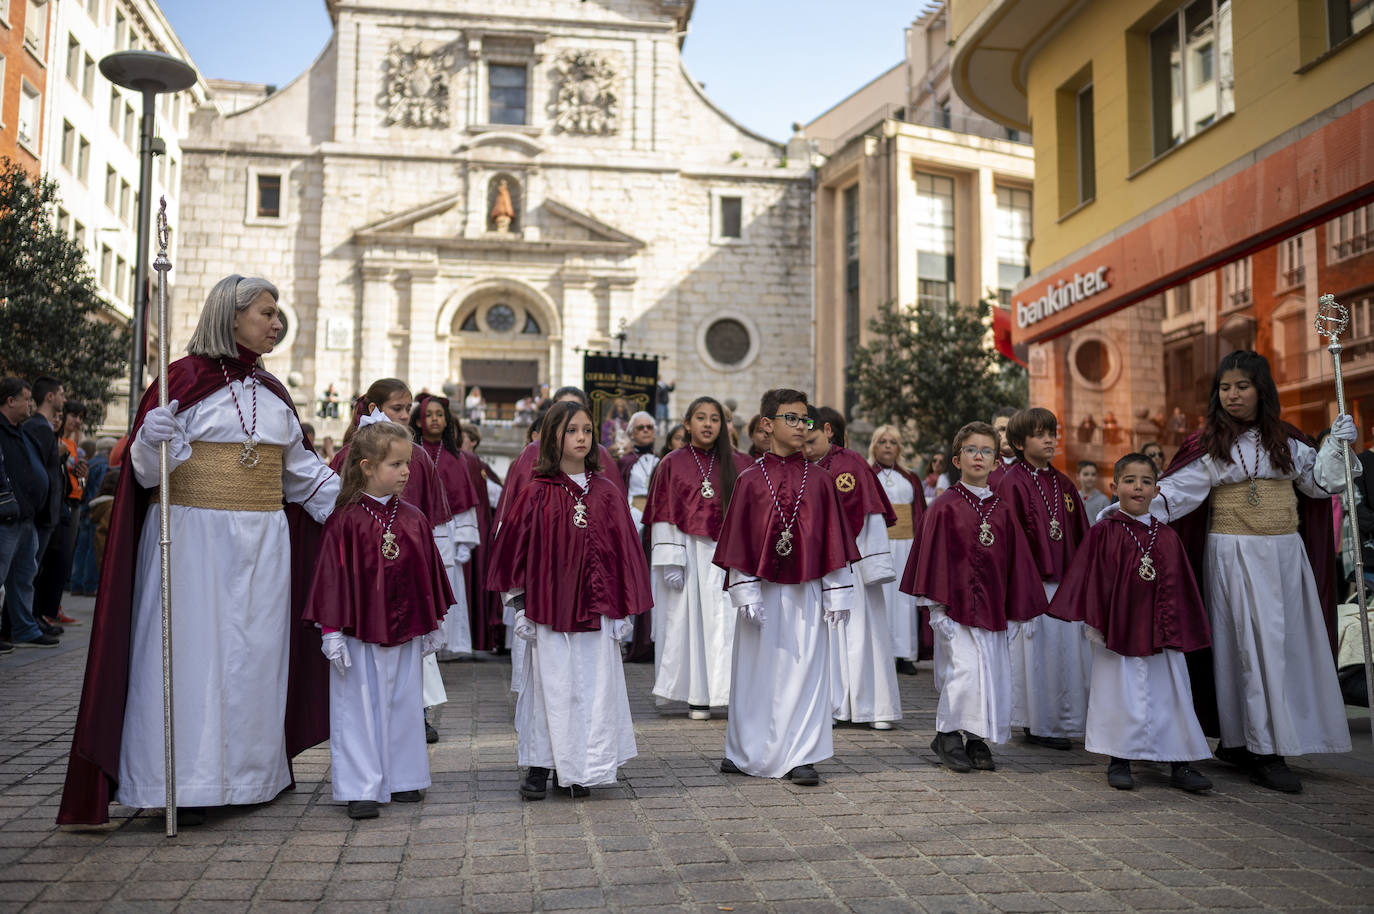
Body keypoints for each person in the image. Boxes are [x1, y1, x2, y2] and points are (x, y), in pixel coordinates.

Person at [58, 274, 340, 826]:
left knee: (254, 658)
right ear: (230, 316)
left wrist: (363, 508)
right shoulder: (179, 381)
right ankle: (181, 781)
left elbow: (303, 479)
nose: (276, 322)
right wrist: (150, 437)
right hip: (190, 539)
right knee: (188, 658)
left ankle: (251, 778)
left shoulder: (276, 393)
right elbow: (141, 473)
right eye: (266, 312)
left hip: (263, 545)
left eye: (277, 313)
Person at [1151, 350, 1353, 793]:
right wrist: (1125, 512)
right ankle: (1261, 749)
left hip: (1285, 557)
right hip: (1233, 557)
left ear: (1261, 389)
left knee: (1282, 648)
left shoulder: (1287, 439)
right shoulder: (1207, 444)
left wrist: (1336, 448)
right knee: (1245, 649)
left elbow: (1321, 486)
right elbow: (1175, 496)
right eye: (1224, 387)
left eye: (1241, 386)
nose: (1232, 395)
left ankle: (1260, 741)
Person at [486, 401, 651, 799]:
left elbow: (624, 552)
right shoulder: (535, 492)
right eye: (572, 430)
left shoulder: (608, 493)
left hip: (598, 609)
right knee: (549, 687)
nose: (581, 437)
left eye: (587, 431)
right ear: (553, 437)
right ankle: (541, 765)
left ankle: (581, 769)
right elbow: (515, 554)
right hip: (548, 608)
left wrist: (623, 608)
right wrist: (521, 604)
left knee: (593, 688)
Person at [304, 421, 454, 819]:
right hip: (357, 635)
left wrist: (432, 622)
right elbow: (331, 579)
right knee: (357, 707)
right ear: (367, 466)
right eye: (395, 464)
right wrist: (331, 632)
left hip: (405, 632)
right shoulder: (345, 519)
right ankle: (361, 787)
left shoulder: (413, 518)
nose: (406, 471)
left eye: (407, 463)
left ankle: (404, 778)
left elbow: (427, 576)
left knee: (405, 703)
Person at [714, 389, 858, 786]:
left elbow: (832, 541)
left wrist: (837, 591)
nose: (800, 426)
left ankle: (802, 754)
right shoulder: (748, 480)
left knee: (804, 670)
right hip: (760, 596)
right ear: (767, 424)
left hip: (805, 593)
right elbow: (740, 540)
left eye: (805, 419)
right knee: (756, 673)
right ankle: (745, 749)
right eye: (791, 418)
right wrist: (743, 589)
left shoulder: (822, 480)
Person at [1048, 454, 1213, 792]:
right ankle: (1119, 758)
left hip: (1160, 633)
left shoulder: (1167, 537)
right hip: (1118, 630)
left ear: (1156, 490)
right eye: (1129, 480)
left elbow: (1182, 587)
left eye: (1146, 481)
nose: (1138, 487)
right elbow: (1089, 578)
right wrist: (1098, 622)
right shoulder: (1104, 532)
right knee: (1117, 692)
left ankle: (1180, 762)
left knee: (1171, 692)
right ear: (1114, 487)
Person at [903, 422, 1047, 773]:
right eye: (971, 450)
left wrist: (1017, 613)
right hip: (956, 609)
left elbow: (1015, 564)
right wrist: (936, 610)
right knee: (964, 672)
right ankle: (948, 735)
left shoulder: (1002, 509)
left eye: (986, 451)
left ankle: (978, 738)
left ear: (997, 461)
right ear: (957, 458)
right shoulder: (945, 506)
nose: (979, 456)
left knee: (991, 675)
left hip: (993, 608)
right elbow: (933, 559)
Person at [333, 380, 457, 741]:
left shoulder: (417, 456)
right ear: (373, 408)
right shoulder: (349, 457)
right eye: (397, 409)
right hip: (367, 573)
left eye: (408, 410)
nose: (406, 416)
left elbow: (430, 517)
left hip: (407, 567)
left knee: (411, 652)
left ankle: (415, 713)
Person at [643, 396, 748, 720]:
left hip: (725, 557)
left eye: (714, 419)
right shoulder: (672, 463)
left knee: (725, 626)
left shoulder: (739, 464)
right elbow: (663, 512)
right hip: (687, 554)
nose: (707, 424)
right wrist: (670, 558)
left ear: (723, 425)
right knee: (688, 627)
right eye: (700, 418)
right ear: (687, 423)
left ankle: (729, 693)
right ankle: (696, 696)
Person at [994, 407, 1092, 751]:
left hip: (1063, 586)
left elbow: (1080, 537)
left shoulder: (1064, 484)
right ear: (1020, 442)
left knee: (1064, 657)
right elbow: (1009, 539)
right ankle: (1036, 725)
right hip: (1030, 585)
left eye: (1052, 432)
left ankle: (1062, 722)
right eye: (1040, 434)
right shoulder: (1012, 482)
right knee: (1034, 659)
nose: (1049, 439)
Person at [804, 406, 902, 731]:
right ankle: (830, 707)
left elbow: (871, 514)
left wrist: (875, 564)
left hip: (854, 565)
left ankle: (873, 707)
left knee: (863, 637)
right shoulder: (800, 467)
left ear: (828, 430)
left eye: (812, 438)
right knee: (823, 638)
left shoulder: (851, 464)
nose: (806, 446)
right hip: (815, 567)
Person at [410, 395, 483, 659]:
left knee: (448, 585)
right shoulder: (407, 451)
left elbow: (465, 503)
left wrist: (463, 542)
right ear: (418, 420)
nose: (434, 419)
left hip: (446, 532)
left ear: (447, 420)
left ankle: (449, 643)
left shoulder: (456, 458)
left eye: (439, 414)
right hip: (414, 530)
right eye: (429, 415)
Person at [0, 377, 58, 648]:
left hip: (25, 517)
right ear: (10, 401)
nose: (29, 404)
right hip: (6, 518)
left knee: (24, 577)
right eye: (25, 398)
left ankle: (24, 628)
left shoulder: (20, 431)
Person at [869, 424, 928, 676]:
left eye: (892, 442)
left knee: (905, 599)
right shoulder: (867, 474)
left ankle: (905, 654)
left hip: (906, 545)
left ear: (899, 448)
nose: (887, 447)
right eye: (882, 442)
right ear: (874, 446)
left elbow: (921, 514)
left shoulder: (910, 477)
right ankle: (880, 653)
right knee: (881, 597)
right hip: (879, 543)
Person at [70, 436, 115, 597]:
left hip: (83, 509)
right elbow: (98, 489)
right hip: (95, 509)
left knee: (81, 548)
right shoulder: (103, 466)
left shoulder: (88, 464)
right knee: (92, 548)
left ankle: (76, 583)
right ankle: (89, 585)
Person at [618, 411, 659, 530]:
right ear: (631, 434)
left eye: (649, 427)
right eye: (640, 427)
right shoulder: (624, 462)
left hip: (656, 516)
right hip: (632, 516)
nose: (646, 430)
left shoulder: (662, 460)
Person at [989, 406, 1019, 487]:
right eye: (1002, 429)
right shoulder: (981, 464)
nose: (1008, 435)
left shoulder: (1033, 466)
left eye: (1013, 429)